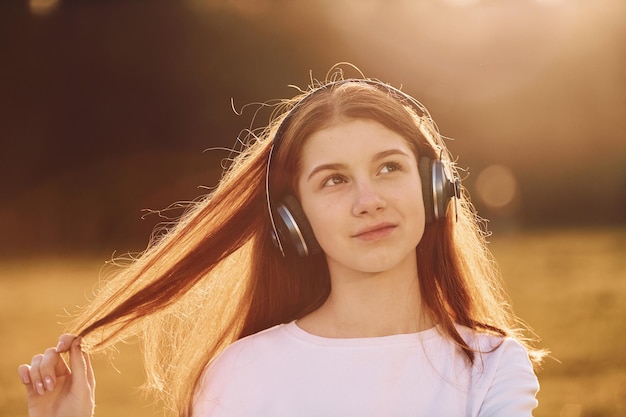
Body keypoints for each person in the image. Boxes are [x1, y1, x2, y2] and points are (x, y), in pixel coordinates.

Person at [18, 65, 545, 417]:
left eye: (389, 167)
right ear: (294, 218)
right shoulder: (241, 373)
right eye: (333, 180)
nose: (369, 200)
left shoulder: (493, 363)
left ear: (433, 189)